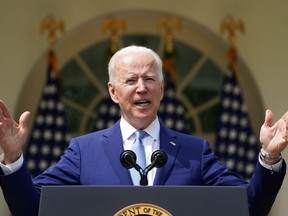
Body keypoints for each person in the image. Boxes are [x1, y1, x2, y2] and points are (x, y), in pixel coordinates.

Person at [0, 45, 287, 216]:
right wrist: (12, 157)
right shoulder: (84, 151)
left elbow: (247, 209)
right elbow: (32, 210)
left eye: (150, 79)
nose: (142, 87)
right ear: (113, 92)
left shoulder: (193, 151)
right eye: (131, 80)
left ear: (161, 89)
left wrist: (269, 157)